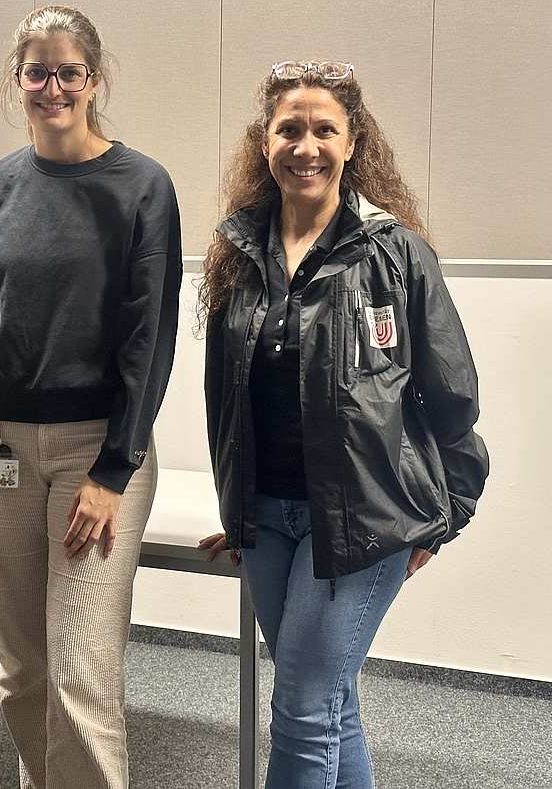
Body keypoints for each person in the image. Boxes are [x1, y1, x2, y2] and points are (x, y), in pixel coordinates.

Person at [198, 61, 489, 788]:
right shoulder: (239, 251)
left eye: (324, 129)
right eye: (288, 129)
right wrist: (236, 507)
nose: (306, 146)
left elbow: (450, 395)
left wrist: (443, 514)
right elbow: (227, 397)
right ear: (263, 144)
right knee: (327, 701)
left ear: (353, 142)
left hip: (364, 519)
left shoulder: (395, 254)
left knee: (300, 706)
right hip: (268, 516)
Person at [0, 5, 182, 789]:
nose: (52, 87)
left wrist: (114, 470)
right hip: (1, 450)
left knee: (80, 676)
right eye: (36, 72)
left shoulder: (140, 186)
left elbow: (149, 334)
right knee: (21, 672)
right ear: (17, 81)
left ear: (94, 80)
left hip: (98, 450)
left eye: (68, 72)